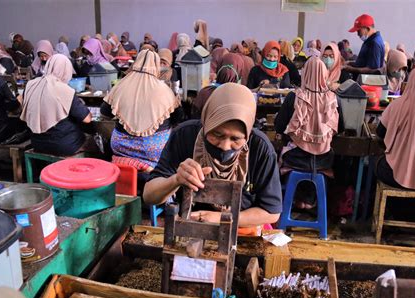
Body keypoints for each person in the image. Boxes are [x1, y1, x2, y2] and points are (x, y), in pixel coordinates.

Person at [143, 83, 282, 228]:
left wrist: (220, 218)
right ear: (206, 122)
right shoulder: (185, 135)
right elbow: (149, 196)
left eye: (235, 139)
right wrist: (176, 180)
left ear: (247, 135)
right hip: (191, 225)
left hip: (242, 227)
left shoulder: (260, 148)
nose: (225, 146)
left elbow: (271, 211)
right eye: (216, 134)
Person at [274, 57, 340, 208]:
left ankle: (295, 199)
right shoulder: (332, 98)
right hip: (324, 159)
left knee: (283, 155)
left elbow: (279, 125)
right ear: (324, 75)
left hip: (295, 158)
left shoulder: (294, 97)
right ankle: (310, 200)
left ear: (305, 74)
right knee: (318, 161)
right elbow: (337, 128)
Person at [101, 50, 181, 173]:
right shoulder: (166, 91)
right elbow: (178, 119)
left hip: (121, 147)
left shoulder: (120, 85)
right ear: (157, 66)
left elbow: (104, 113)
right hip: (152, 151)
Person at [21, 54, 93, 156]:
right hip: (64, 145)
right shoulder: (64, 89)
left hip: (37, 143)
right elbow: (87, 119)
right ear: (66, 70)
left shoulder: (31, 85)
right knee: (93, 141)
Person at [193, 53, 245, 117]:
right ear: (239, 71)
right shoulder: (242, 97)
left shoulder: (205, 92)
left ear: (219, 66)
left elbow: (194, 117)